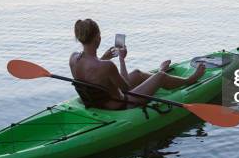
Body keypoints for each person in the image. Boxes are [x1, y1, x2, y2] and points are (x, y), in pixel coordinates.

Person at [69, 19, 205, 110]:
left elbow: (92, 73)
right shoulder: (106, 66)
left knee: (137, 73)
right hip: (121, 104)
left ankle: (156, 74)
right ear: (98, 37)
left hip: (99, 101)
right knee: (161, 76)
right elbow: (126, 87)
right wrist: (122, 59)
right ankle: (189, 79)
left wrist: (104, 57)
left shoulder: (73, 58)